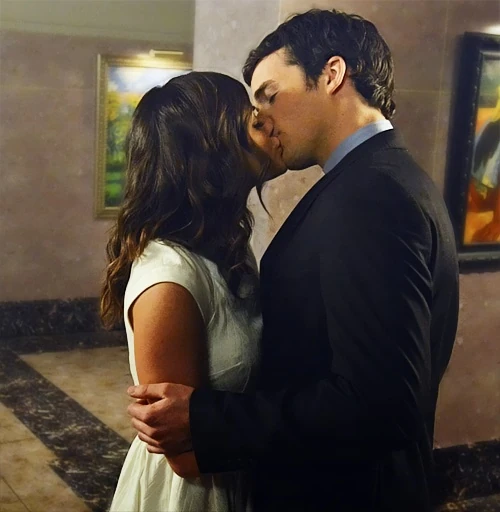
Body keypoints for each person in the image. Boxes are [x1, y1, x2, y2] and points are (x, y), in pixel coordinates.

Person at [127, 9, 459, 511]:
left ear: (331, 74)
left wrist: (207, 419)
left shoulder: (369, 195)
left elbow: (381, 404)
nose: (264, 119)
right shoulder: (377, 178)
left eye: (269, 94)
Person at [100, 71, 286, 511]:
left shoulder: (225, 247)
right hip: (196, 494)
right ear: (213, 149)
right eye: (252, 120)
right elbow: (184, 453)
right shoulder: (168, 278)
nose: (270, 123)